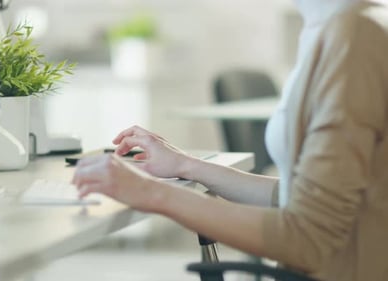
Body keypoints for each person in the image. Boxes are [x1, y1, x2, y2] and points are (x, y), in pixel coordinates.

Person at [71, 1, 388, 280]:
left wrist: (150, 193)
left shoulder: (353, 39)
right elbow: (293, 196)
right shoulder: (334, 26)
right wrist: (187, 165)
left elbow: (308, 237)